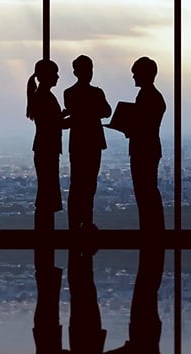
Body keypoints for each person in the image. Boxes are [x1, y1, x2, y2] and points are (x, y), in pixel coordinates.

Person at [61, 247, 112, 354]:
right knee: (77, 291)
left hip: (93, 335)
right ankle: (75, 251)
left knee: (88, 290)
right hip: (77, 333)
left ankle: (86, 253)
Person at [63, 55, 111, 232]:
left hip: (78, 143)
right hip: (93, 142)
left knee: (78, 184)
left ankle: (75, 224)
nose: (89, 73)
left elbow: (76, 116)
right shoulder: (97, 93)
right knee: (89, 185)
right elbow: (107, 111)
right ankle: (86, 222)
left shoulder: (69, 93)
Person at [26, 59, 68, 231]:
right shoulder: (45, 97)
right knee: (47, 190)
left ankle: (43, 229)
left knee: (45, 189)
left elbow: (51, 121)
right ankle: (45, 230)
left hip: (44, 147)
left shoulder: (40, 96)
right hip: (48, 148)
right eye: (55, 74)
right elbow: (54, 123)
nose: (57, 77)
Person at [128, 57, 167, 232]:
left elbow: (143, 125)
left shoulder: (147, 96)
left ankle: (150, 229)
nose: (134, 77)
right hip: (148, 148)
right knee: (148, 191)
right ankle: (153, 229)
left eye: (136, 73)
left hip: (143, 149)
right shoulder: (153, 96)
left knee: (145, 192)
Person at [26, 247, 64, 354]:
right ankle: (43, 253)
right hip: (44, 330)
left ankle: (44, 251)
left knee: (47, 291)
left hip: (48, 330)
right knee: (45, 290)